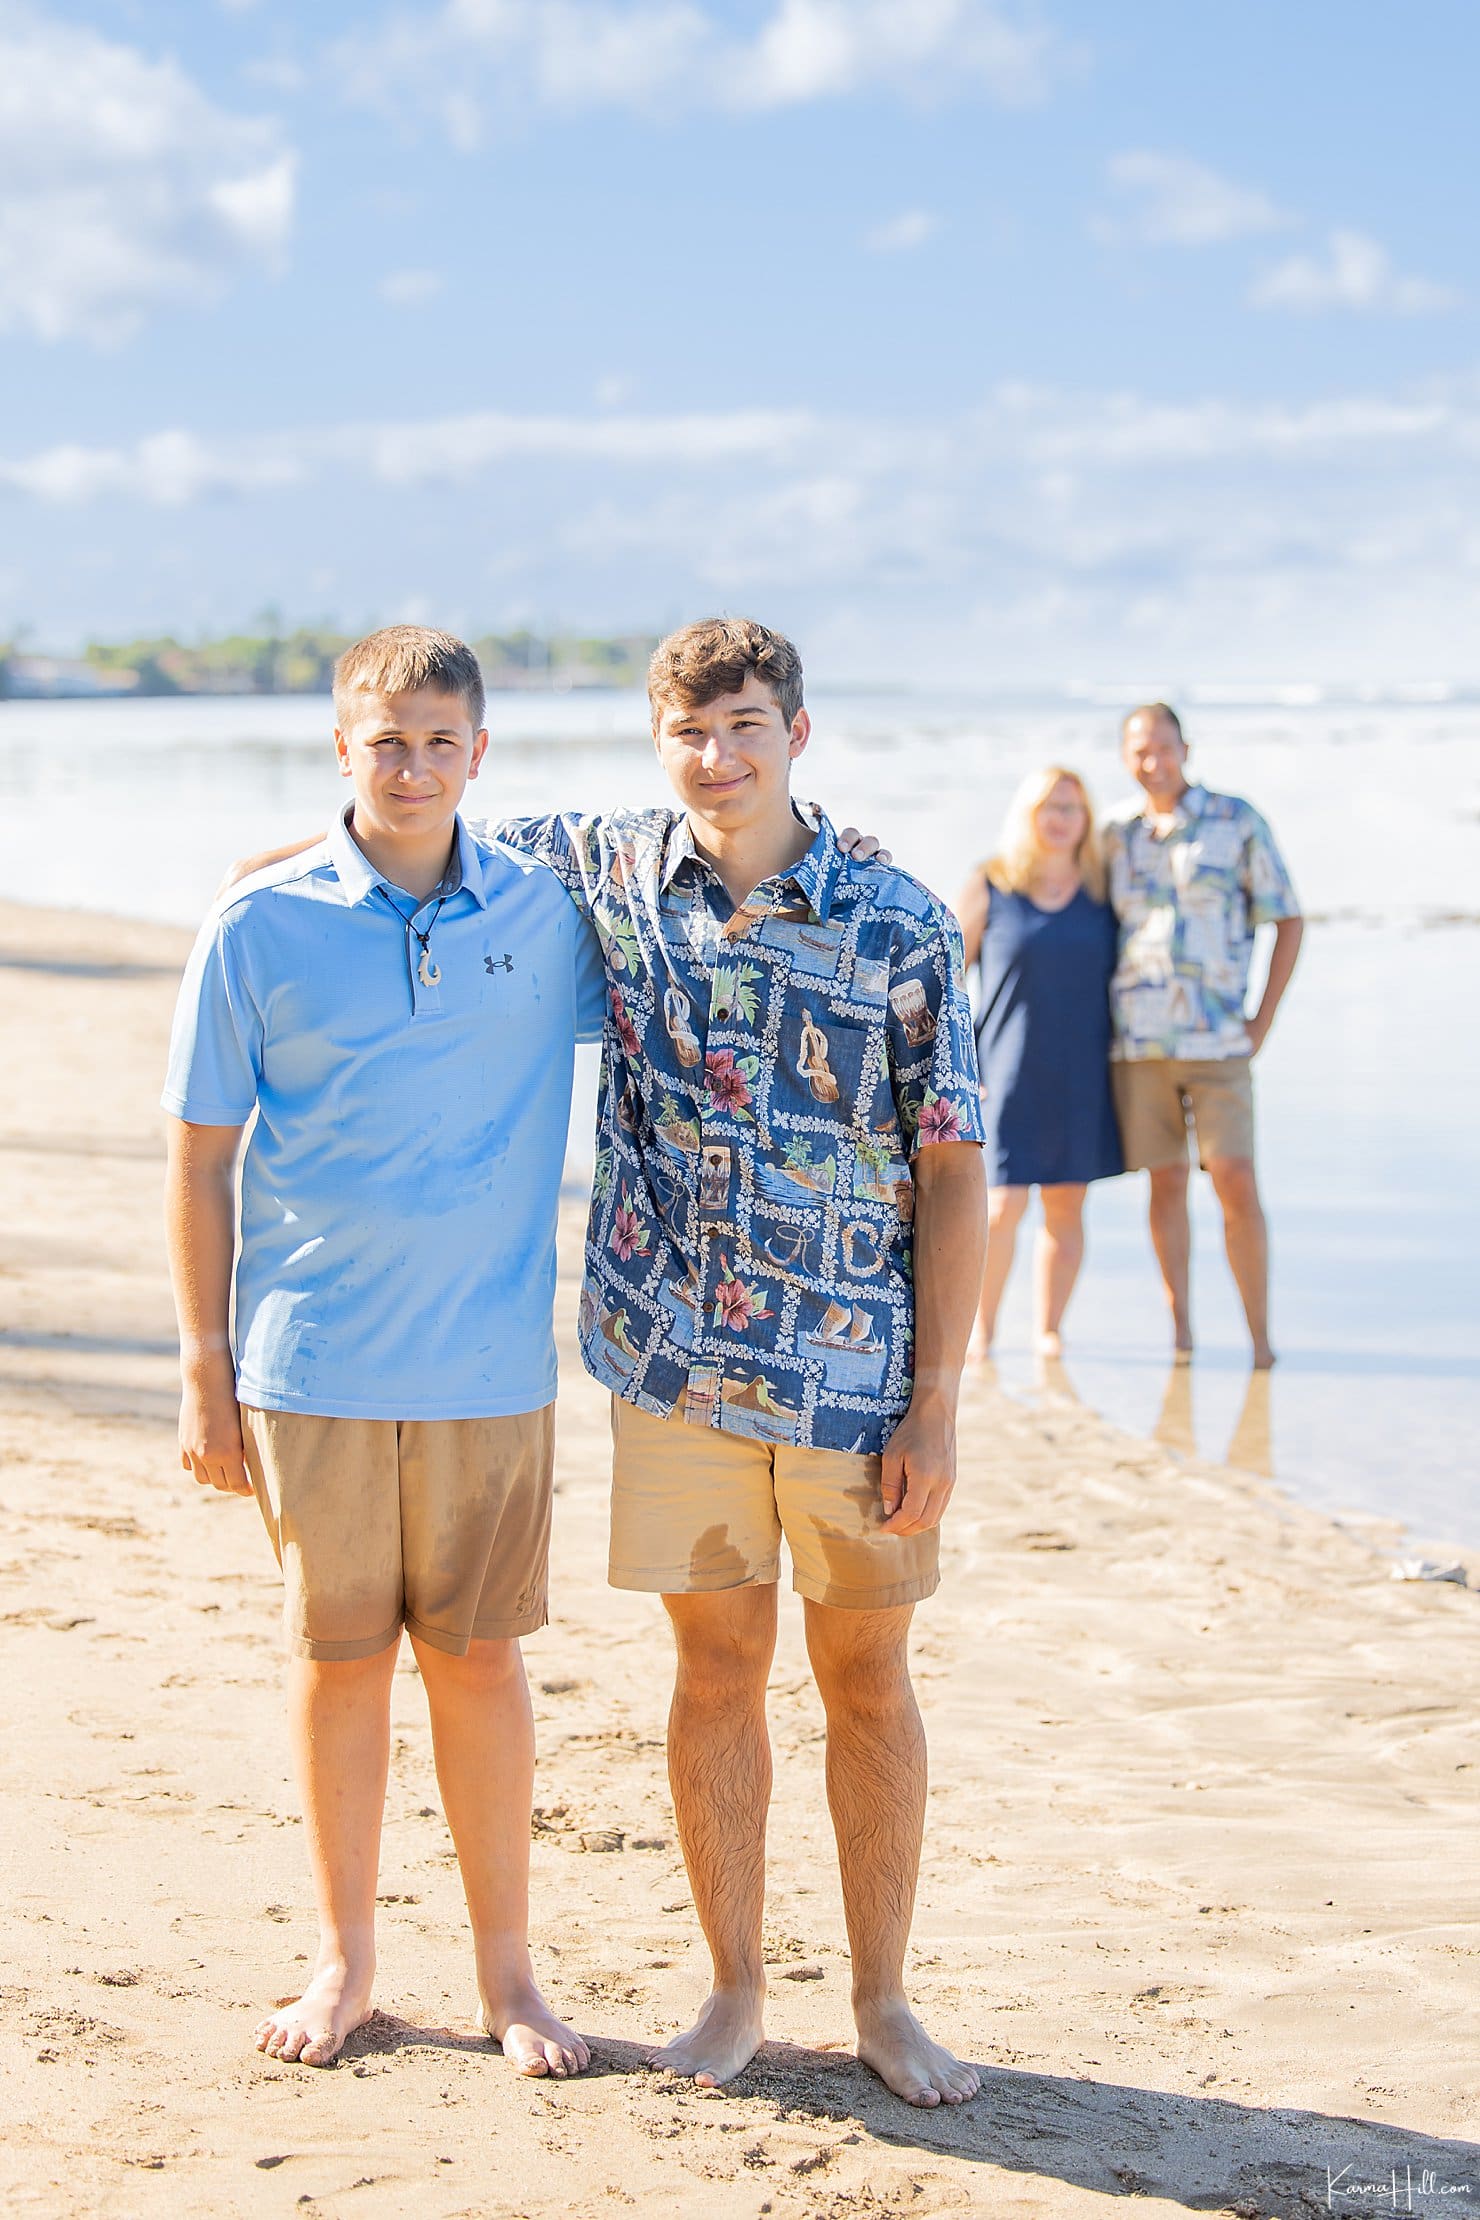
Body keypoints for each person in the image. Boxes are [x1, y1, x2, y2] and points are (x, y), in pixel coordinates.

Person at [493, 617, 988, 2108]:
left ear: (798, 734)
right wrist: (280, 875)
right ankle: (733, 1989)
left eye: (745, 728)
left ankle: (885, 2001)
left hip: (854, 1381)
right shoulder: (612, 870)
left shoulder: (898, 917)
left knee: (867, 1683)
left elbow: (957, 1166)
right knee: (715, 1676)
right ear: (660, 742)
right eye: (690, 733)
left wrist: (939, 1404)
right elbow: (414, 829)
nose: (716, 760)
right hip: (677, 1366)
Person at [161, 626, 605, 2075]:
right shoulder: (258, 922)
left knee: (476, 1664)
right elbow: (197, 1159)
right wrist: (199, 1368)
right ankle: (345, 1960)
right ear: (341, 750)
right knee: (338, 1664)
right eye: (383, 741)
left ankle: (508, 1975)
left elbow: (691, 875)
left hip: (489, 1372)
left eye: (438, 742)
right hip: (310, 1363)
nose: (410, 767)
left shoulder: (551, 917)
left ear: (481, 754)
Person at [1104, 702, 1303, 1369]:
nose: (1153, 760)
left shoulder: (1235, 820)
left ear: (1185, 747)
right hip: (1138, 1045)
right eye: (1139, 750)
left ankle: (1259, 1340)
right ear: (1126, 758)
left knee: (1236, 1181)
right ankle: (1182, 1335)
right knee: (1164, 1186)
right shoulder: (1116, 836)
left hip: (1218, 1041)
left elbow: (1289, 918)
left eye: (1163, 746)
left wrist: (1262, 1019)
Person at [954, 767, 1122, 1358]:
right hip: (1004, 1072)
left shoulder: (1105, 892)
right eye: (1049, 806)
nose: (1059, 818)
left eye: (1072, 808)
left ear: (1086, 820)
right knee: (1000, 1207)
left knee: (1067, 1205)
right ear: (1027, 814)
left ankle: (1049, 1331)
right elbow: (947, 978)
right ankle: (983, 1330)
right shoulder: (993, 882)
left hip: (1081, 1073)